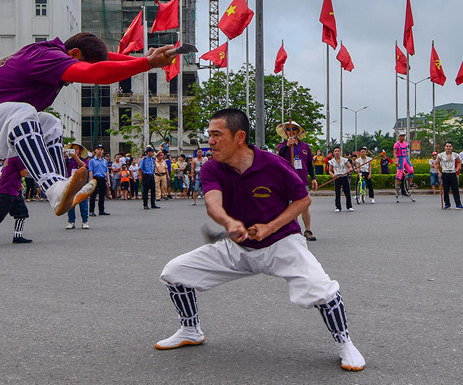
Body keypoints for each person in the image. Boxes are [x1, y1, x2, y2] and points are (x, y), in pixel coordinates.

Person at [154, 108, 365, 371]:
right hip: (237, 246)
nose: (210, 141)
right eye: (210, 135)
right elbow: (212, 204)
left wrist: (270, 227)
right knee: (174, 272)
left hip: (282, 243)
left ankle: (345, 344)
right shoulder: (212, 168)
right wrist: (229, 223)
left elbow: (303, 199)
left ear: (239, 136)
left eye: (217, 135)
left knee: (322, 289)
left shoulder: (273, 164)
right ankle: (190, 329)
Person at [0, 32, 174, 216]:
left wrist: (145, 60)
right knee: (24, 111)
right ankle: (53, 187)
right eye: (78, 67)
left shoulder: (54, 53)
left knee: (50, 123)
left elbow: (106, 60)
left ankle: (60, 190)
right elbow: (97, 73)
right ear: (73, 55)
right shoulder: (47, 57)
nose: (75, 79)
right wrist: (145, 64)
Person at [276, 121, 318, 240]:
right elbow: (279, 158)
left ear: (298, 131)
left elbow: (309, 163)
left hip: (302, 179)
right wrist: (287, 146)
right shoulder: (282, 146)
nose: (291, 131)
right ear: (285, 132)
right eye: (288, 129)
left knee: (305, 205)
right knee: (292, 207)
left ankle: (308, 230)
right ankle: (295, 231)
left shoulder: (305, 147)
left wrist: (313, 178)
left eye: (294, 128)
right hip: (288, 180)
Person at [65, 148, 89, 229]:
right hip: (71, 183)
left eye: (76, 149)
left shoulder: (84, 160)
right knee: (70, 203)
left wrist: (76, 157)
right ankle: (71, 221)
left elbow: (84, 166)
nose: (74, 151)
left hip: (81, 184)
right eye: (73, 149)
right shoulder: (68, 160)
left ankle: (85, 221)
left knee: (83, 203)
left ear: (80, 151)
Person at [438, 142, 463, 210]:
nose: (448, 148)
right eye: (447, 146)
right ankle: (447, 204)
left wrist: (457, 169)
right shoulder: (441, 155)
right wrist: (439, 172)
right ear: (445, 147)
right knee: (446, 189)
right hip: (445, 173)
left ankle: (458, 204)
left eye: (449, 146)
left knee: (455, 189)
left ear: (452, 147)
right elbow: (435, 163)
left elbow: (460, 162)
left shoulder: (455, 155)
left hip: (452, 173)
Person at [327, 147, 353, 212]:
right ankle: (338, 207)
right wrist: (333, 175)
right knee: (337, 193)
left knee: (347, 192)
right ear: (333, 152)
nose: (337, 152)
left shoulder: (344, 160)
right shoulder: (331, 161)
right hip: (337, 177)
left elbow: (350, 167)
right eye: (335, 151)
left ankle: (349, 206)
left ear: (340, 152)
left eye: (338, 151)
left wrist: (348, 170)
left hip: (344, 176)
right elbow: (329, 170)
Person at [88, 145, 110, 217]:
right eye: (98, 149)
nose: (100, 151)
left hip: (103, 178)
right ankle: (91, 210)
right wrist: (91, 180)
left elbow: (106, 171)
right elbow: (90, 170)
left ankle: (101, 210)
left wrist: (108, 180)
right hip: (95, 178)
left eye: (101, 149)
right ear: (95, 150)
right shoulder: (92, 161)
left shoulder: (104, 161)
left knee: (102, 195)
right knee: (93, 195)